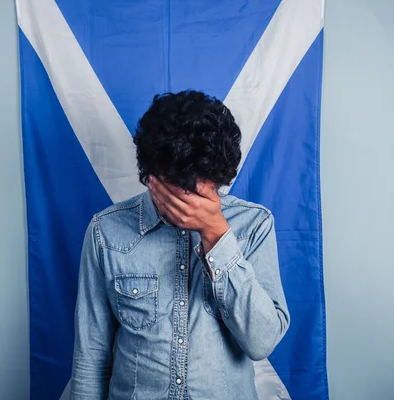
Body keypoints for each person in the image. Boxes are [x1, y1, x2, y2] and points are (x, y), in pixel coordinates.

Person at [70, 90, 290, 400]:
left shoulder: (254, 225)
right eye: (183, 191)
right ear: (153, 178)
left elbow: (262, 341)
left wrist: (216, 233)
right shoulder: (106, 231)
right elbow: (90, 357)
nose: (193, 202)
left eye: (206, 189)